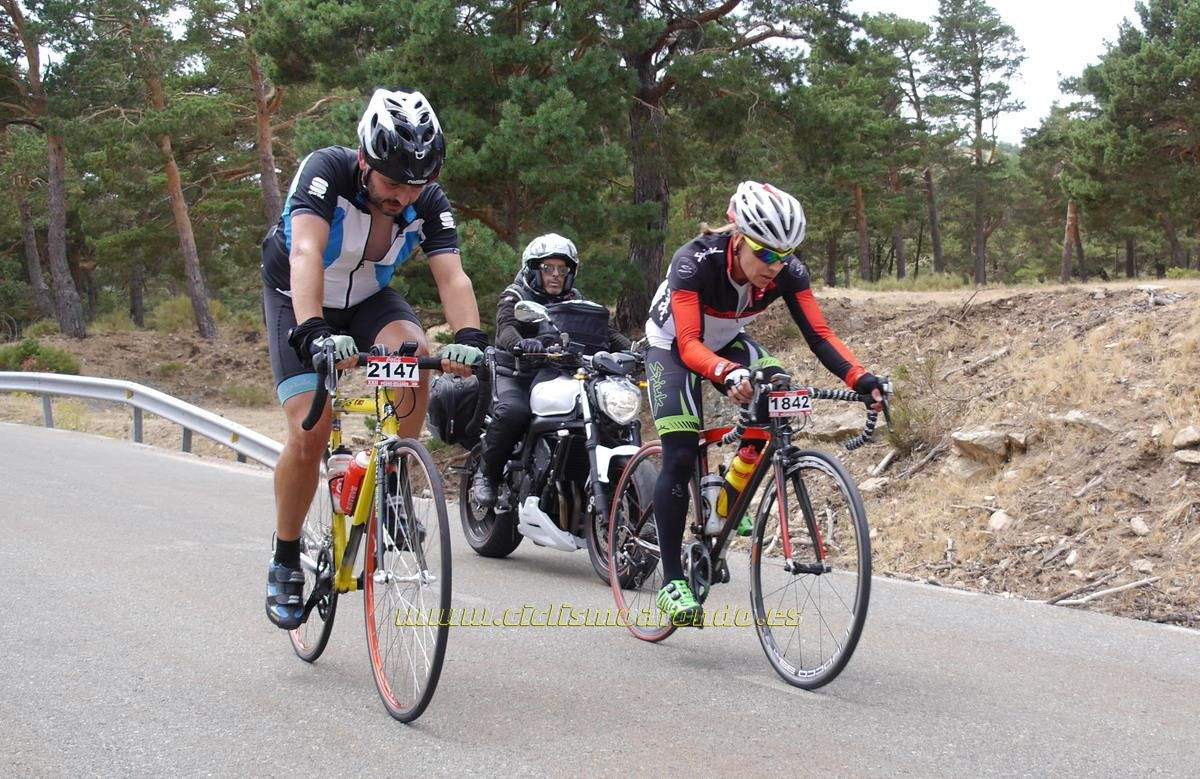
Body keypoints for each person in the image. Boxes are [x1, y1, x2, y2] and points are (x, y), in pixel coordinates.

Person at [262, 88, 487, 629]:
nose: (403, 196)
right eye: (392, 182)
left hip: (366, 301)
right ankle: (286, 557)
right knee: (311, 432)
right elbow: (306, 252)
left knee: (414, 353)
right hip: (297, 296)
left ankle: (392, 480)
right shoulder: (327, 171)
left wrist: (473, 338)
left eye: (417, 183)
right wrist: (313, 330)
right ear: (365, 159)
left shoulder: (427, 201)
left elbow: (452, 275)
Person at [643, 181, 885, 626]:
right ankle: (672, 581)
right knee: (679, 451)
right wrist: (724, 373)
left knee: (778, 395)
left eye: (786, 254)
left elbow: (820, 335)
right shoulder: (693, 262)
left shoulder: (787, 271)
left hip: (728, 341)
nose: (776, 265)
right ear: (737, 237)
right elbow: (691, 343)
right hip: (674, 346)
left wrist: (860, 377)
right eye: (766, 253)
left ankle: (728, 500)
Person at [471, 233, 630, 508]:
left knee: (603, 416)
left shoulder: (576, 300)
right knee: (513, 412)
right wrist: (521, 344)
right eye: (548, 268)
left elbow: (607, 331)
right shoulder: (515, 294)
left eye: (562, 269)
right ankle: (487, 476)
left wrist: (636, 350)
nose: (556, 275)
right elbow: (506, 326)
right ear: (533, 270)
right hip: (517, 372)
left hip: (560, 373)